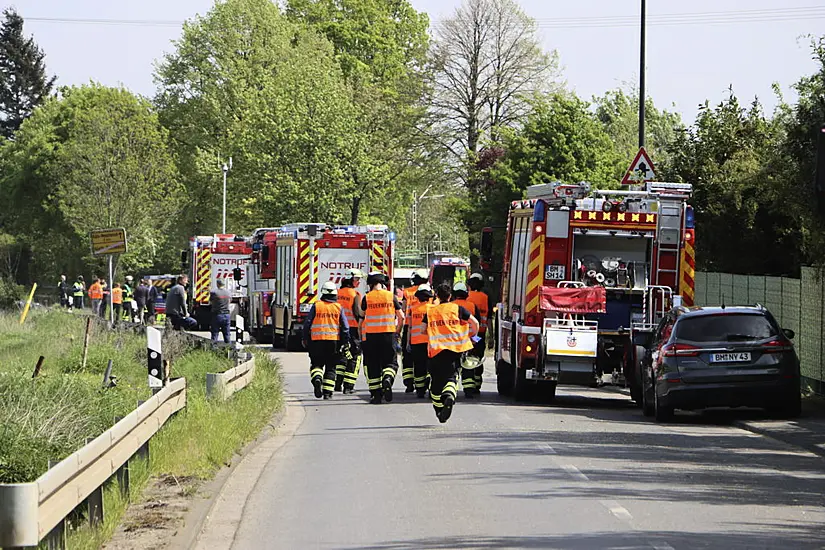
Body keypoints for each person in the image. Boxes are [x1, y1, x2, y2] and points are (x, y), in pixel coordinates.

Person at [426, 283, 478, 423]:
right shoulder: (458, 309)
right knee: (452, 377)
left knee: (436, 385)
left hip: (436, 351)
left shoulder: (431, 311)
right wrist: (472, 336)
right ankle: (449, 394)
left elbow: (422, 330)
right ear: (450, 296)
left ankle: (439, 409)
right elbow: (475, 323)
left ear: (437, 295)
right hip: (455, 351)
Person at [361, 272, 404, 404]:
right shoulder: (391, 296)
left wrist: (361, 336)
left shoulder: (367, 298)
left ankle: (376, 395)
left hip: (371, 336)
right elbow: (401, 317)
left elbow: (361, 319)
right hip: (388, 335)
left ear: (370, 284)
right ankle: (388, 378)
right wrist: (397, 332)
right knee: (390, 363)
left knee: (373, 365)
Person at [302, 281, 349, 400]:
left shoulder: (317, 305)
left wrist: (305, 338)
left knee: (316, 364)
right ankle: (327, 393)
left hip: (316, 341)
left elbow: (307, 323)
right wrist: (345, 342)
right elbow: (345, 327)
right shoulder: (338, 307)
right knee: (331, 367)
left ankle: (317, 379)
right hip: (333, 342)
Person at [336, 268, 365, 394]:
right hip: (352, 330)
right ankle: (348, 386)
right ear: (351, 280)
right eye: (357, 279)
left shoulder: (336, 293)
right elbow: (358, 313)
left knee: (341, 356)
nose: (358, 282)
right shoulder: (355, 295)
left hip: (338, 330)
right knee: (355, 357)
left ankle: (337, 383)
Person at [401, 269, 429, 393]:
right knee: (426, 358)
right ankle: (425, 380)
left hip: (410, 326)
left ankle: (409, 383)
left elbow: (403, 308)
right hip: (427, 328)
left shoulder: (407, 292)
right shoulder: (430, 291)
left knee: (408, 356)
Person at [452, 282, 481, 398]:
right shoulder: (472, 306)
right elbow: (477, 323)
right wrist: (475, 338)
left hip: (452, 342)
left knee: (453, 366)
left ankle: (451, 388)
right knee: (468, 365)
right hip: (468, 341)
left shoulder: (451, 306)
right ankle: (469, 390)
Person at [408, 283, 434, 398]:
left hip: (416, 341)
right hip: (430, 342)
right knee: (430, 364)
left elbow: (409, 326)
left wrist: (408, 341)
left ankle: (419, 390)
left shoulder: (413, 309)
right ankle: (429, 381)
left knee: (418, 366)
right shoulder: (433, 309)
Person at [467, 273, 491, 395]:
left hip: (469, 335)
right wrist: (491, 336)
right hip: (480, 335)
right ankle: (477, 384)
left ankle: (469, 383)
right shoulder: (486, 298)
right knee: (479, 358)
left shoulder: (467, 297)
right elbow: (490, 318)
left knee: (469, 358)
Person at [210, 278, 232, 344]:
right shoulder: (228, 292)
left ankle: (213, 351)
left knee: (215, 334)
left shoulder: (214, 292)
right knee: (227, 334)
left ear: (217, 284)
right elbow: (230, 300)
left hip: (217, 315)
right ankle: (229, 350)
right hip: (227, 315)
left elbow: (211, 301)